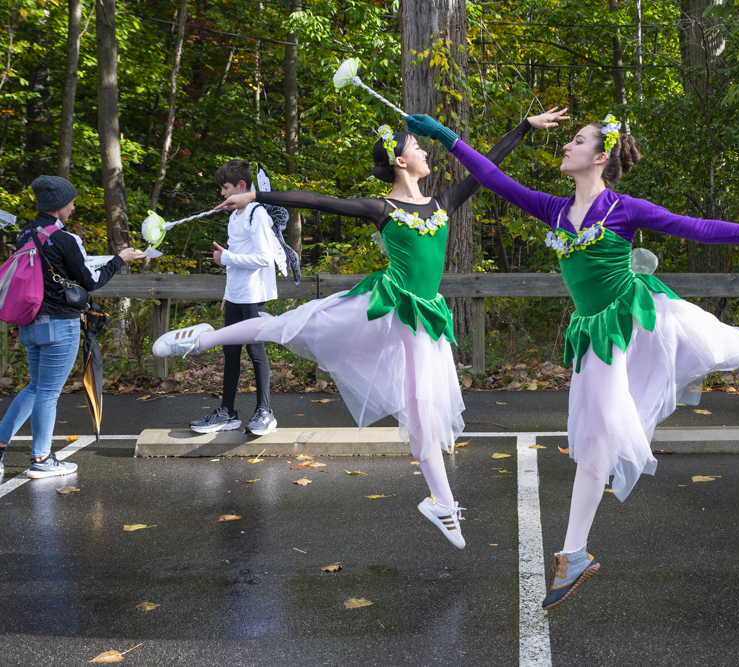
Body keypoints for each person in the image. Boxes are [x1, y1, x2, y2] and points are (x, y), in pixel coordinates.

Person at [405, 112, 739, 608]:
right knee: (596, 436)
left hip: (640, 317)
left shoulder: (623, 208)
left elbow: (699, 228)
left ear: (600, 156)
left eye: (576, 142)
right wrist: (447, 138)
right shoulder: (552, 209)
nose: (565, 147)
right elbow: (493, 178)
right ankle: (574, 554)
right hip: (599, 336)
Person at [152, 109, 569, 548]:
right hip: (384, 304)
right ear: (401, 162)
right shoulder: (383, 208)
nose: (426, 150)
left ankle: (442, 503)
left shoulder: (441, 204)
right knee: (290, 324)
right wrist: (255, 197)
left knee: (424, 415)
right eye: (417, 147)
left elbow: (486, 167)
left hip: (424, 322)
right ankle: (201, 338)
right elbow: (316, 200)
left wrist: (523, 126)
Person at [0, 176, 145, 478]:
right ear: (59, 205)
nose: (74, 205)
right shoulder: (66, 239)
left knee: (36, 387)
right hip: (59, 325)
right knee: (49, 393)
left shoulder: (26, 234)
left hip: (29, 321)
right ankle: (41, 460)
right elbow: (90, 281)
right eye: (71, 201)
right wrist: (118, 260)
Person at [180, 160, 280, 437]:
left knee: (255, 351)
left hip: (254, 295)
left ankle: (265, 412)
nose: (222, 194)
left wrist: (226, 258)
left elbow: (263, 258)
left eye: (225, 188)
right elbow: (236, 260)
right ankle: (227, 412)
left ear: (241, 186)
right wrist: (228, 293)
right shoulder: (234, 215)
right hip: (236, 295)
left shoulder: (256, 214)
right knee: (230, 352)